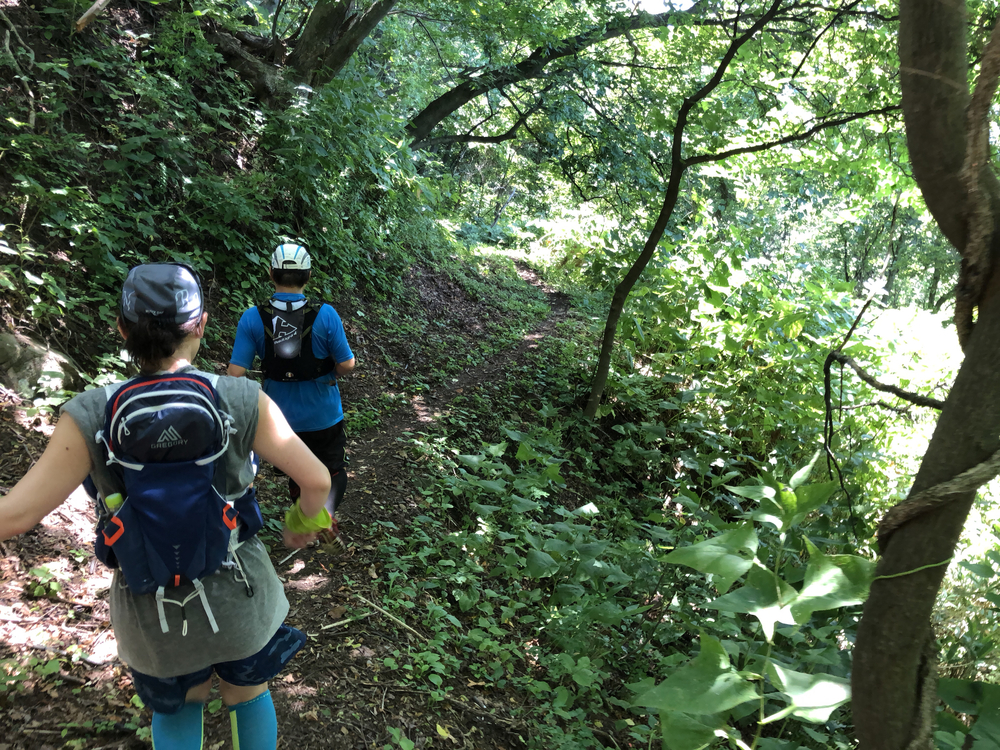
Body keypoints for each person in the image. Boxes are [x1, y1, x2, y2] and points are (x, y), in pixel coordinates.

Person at [0, 263, 332, 750]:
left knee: (181, 704)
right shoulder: (241, 398)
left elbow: (15, 515)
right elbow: (317, 479)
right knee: (247, 693)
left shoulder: (90, 412)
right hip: (238, 595)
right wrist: (302, 524)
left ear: (122, 329)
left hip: (151, 608)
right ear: (200, 325)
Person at [228, 243, 355, 546]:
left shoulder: (252, 317)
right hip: (323, 414)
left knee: (298, 470)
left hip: (277, 419)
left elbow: (235, 373)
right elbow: (347, 364)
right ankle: (320, 514)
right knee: (333, 469)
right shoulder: (325, 315)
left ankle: (308, 518)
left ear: (270, 273)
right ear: (308, 276)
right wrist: (332, 374)